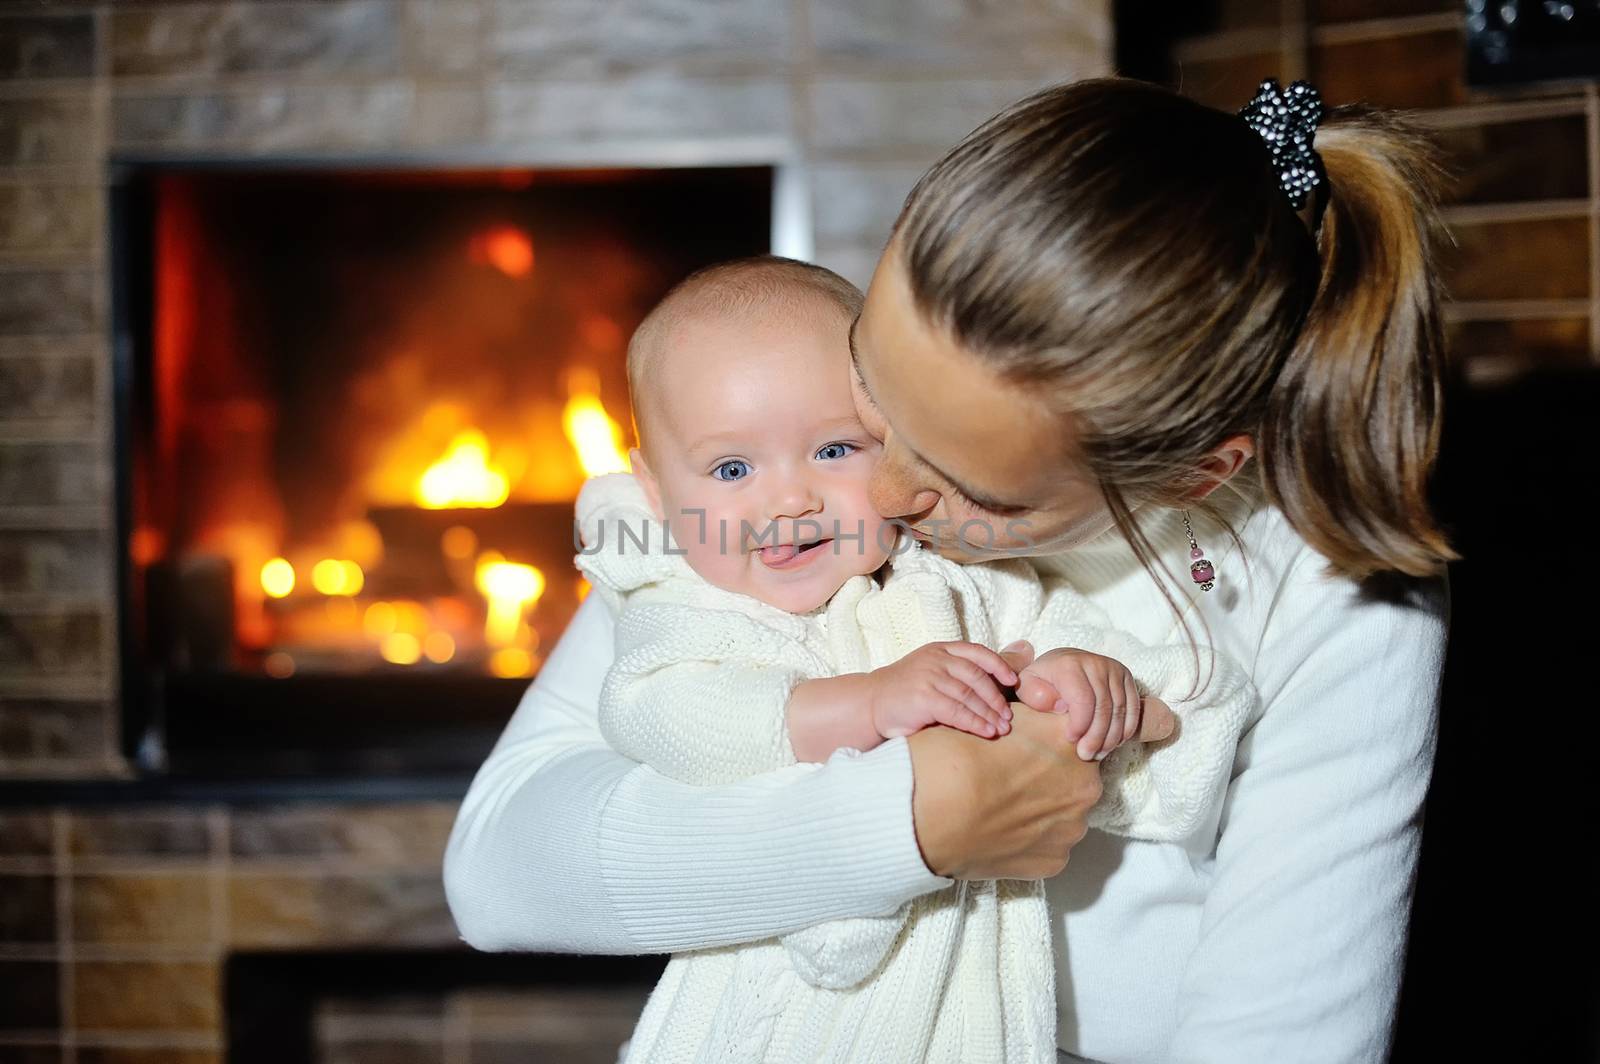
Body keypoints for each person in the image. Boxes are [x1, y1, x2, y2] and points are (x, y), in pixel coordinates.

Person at [444, 76, 1450, 1063]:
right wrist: (908, 822)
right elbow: (501, 867)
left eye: (974, 488)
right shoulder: (762, 491)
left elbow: (1277, 1030)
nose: (879, 494)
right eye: (874, 397)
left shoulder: (1336, 593)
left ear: (1193, 476)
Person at [572, 256, 1255, 1061]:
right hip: (765, 1022)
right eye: (732, 469)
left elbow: (1163, 713)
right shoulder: (685, 600)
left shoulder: (961, 580)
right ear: (653, 491)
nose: (789, 500)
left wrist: (1096, 689)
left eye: (834, 450)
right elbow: (659, 710)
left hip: (967, 1005)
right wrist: (864, 705)